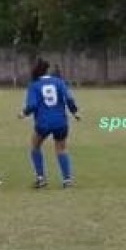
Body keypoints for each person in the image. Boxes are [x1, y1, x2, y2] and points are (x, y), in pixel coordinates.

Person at [20, 59, 81, 189]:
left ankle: (41, 178)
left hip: (44, 123)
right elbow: (69, 98)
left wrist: (24, 113)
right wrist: (74, 112)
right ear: (47, 70)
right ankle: (67, 180)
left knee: (35, 146)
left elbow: (32, 105)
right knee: (61, 149)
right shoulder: (58, 82)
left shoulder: (34, 85)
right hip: (60, 122)